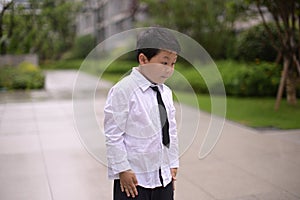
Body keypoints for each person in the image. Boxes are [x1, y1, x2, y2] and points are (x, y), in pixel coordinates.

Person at [104, 27, 180, 200]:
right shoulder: (123, 90)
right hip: (134, 180)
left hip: (163, 177)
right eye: (164, 62)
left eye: (173, 63)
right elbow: (113, 135)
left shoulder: (166, 92)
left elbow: (171, 131)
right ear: (143, 59)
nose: (169, 69)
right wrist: (122, 169)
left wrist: (173, 163)